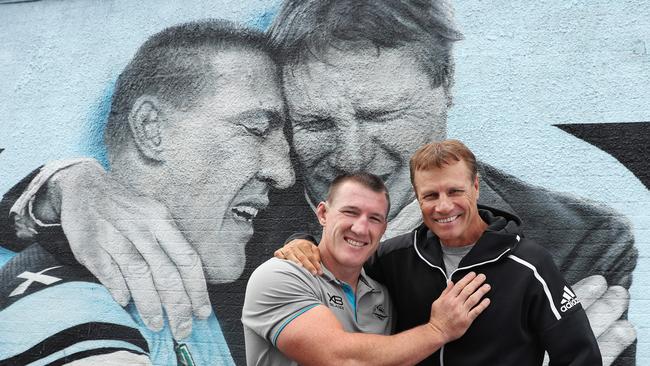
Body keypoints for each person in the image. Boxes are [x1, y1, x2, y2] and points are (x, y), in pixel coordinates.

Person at [0, 0, 637, 364]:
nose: (353, 154)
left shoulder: (577, 242)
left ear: (447, 86)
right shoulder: (230, 220)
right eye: (313, 123)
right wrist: (64, 185)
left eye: (380, 115)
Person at [0, 19, 293, 365]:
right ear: (151, 129)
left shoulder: (178, 288)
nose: (284, 173)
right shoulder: (79, 316)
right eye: (256, 129)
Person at [280, 140, 601, 365]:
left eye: (455, 191)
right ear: (417, 198)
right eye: (430, 195)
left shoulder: (529, 264)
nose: (444, 206)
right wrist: (302, 242)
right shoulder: (396, 257)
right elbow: (337, 266)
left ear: (475, 187)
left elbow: (579, 356)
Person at [243, 172, 491, 365]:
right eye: (350, 213)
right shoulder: (280, 276)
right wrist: (438, 330)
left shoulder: (381, 293)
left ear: (384, 228)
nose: (361, 229)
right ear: (323, 213)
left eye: (374, 218)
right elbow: (339, 358)